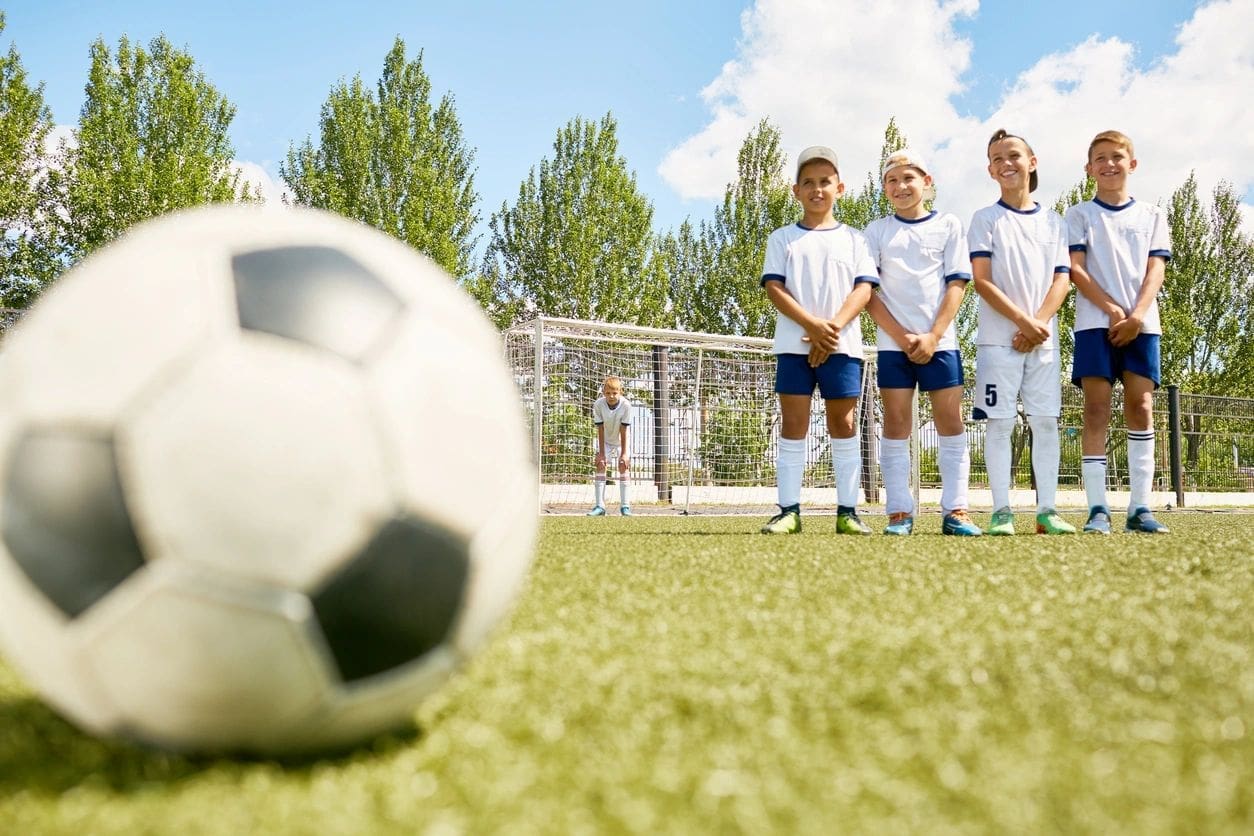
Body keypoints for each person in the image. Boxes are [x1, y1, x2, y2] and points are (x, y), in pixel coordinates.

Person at [864, 150, 983, 536]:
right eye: (892, 181)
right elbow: (868, 293)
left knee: (951, 422)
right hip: (893, 346)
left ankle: (957, 511)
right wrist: (903, 337)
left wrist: (932, 336)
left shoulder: (948, 225)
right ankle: (899, 512)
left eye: (908, 179)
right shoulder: (876, 232)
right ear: (885, 188)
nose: (900, 187)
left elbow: (957, 284)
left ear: (926, 182)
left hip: (941, 344)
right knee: (896, 423)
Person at [759, 145, 876, 535]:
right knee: (794, 425)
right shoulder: (782, 238)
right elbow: (774, 287)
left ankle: (848, 512)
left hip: (842, 347)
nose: (817, 189)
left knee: (843, 424)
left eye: (825, 181)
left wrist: (833, 329)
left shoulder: (856, 240)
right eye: (808, 182)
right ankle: (788, 511)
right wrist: (812, 324)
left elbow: (864, 290)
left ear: (839, 188)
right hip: (794, 345)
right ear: (796, 191)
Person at [968, 129, 1077, 535]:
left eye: (1013, 155)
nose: (1006, 162)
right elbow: (983, 280)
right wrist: (1022, 323)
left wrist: (1038, 326)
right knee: (999, 425)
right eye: (997, 158)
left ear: (1032, 162)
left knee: (1045, 422)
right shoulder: (984, 219)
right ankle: (1001, 512)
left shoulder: (1054, 221)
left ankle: (1047, 511)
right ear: (990, 169)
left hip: (1043, 343)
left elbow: (1061, 280)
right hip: (998, 342)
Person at [1066, 130, 1171, 534]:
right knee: (1096, 410)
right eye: (1101, 158)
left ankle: (1140, 508)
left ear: (1132, 163)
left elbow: (1156, 268)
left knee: (1141, 408)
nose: (1109, 164)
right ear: (1089, 168)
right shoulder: (1079, 215)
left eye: (1117, 157)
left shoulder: (1152, 215)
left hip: (1142, 325)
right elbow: (1077, 269)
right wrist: (1112, 310)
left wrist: (1136, 315)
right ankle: (1097, 509)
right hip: (1095, 324)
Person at [587, 375, 632, 517]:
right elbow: (600, 428)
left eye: (615, 393)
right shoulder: (598, 405)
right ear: (603, 393)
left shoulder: (626, 405)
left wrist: (624, 453)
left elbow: (624, 429)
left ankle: (625, 506)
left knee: (623, 466)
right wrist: (601, 453)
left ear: (620, 392)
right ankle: (600, 506)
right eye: (608, 393)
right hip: (604, 441)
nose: (611, 396)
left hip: (621, 441)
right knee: (601, 464)